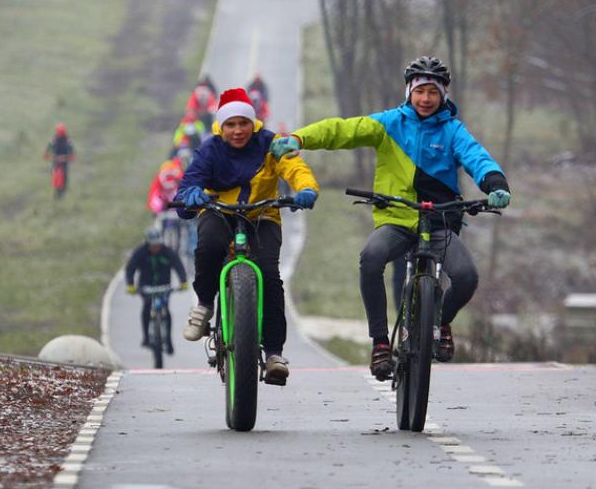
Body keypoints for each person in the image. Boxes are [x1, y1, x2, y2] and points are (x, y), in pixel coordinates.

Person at [269, 56, 512, 380]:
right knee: (371, 258)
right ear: (409, 92)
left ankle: (441, 321)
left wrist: (494, 182)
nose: (426, 99)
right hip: (397, 219)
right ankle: (381, 342)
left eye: (433, 93)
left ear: (443, 95)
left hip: (439, 221)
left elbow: (476, 157)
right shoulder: (389, 124)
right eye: (420, 91)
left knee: (466, 276)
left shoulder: (453, 131)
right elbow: (342, 130)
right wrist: (300, 139)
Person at [175, 87, 319, 385]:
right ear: (221, 126)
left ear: (253, 124)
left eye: (243, 123)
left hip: (262, 214)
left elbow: (294, 167)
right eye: (231, 124)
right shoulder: (210, 149)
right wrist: (190, 194)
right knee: (209, 246)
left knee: (269, 274)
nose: (238, 130)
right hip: (219, 211)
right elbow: (191, 180)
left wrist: (305, 189)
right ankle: (204, 304)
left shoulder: (271, 144)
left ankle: (274, 354)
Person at [126, 226, 189, 353]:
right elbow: (130, 268)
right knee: (147, 306)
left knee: (165, 308)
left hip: (163, 286)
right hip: (146, 286)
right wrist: (130, 284)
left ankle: (169, 340)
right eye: (153, 245)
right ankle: (146, 338)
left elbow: (178, 265)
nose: (156, 248)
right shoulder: (140, 252)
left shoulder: (167, 251)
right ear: (148, 243)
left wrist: (183, 281)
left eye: (158, 245)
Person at [43, 123, 76, 198]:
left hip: (64, 160)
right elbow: (48, 148)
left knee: (64, 174)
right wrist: (48, 154)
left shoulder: (67, 140)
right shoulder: (55, 140)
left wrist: (69, 156)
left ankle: (63, 190)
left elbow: (72, 151)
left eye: (61, 132)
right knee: (54, 173)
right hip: (56, 160)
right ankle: (57, 190)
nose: (60, 134)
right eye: (59, 132)